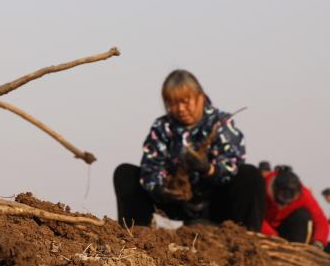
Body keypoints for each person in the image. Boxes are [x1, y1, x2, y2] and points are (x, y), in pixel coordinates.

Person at [113, 69, 264, 230]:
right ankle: (135, 235)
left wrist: (208, 169)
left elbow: (232, 164)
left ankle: (245, 238)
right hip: (177, 203)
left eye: (185, 101)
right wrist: (161, 190)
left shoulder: (220, 123)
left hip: (214, 204)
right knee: (125, 173)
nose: (181, 109)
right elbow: (151, 168)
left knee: (250, 175)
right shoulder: (162, 127)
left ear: (200, 97)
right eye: (173, 103)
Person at [261, 167, 328, 248]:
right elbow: (253, 215)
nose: (284, 205)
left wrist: (319, 242)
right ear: (274, 189)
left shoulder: (304, 195)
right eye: (282, 198)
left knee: (303, 215)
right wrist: (273, 236)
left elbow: (321, 221)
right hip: (263, 229)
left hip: (287, 232)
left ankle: (296, 249)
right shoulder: (260, 187)